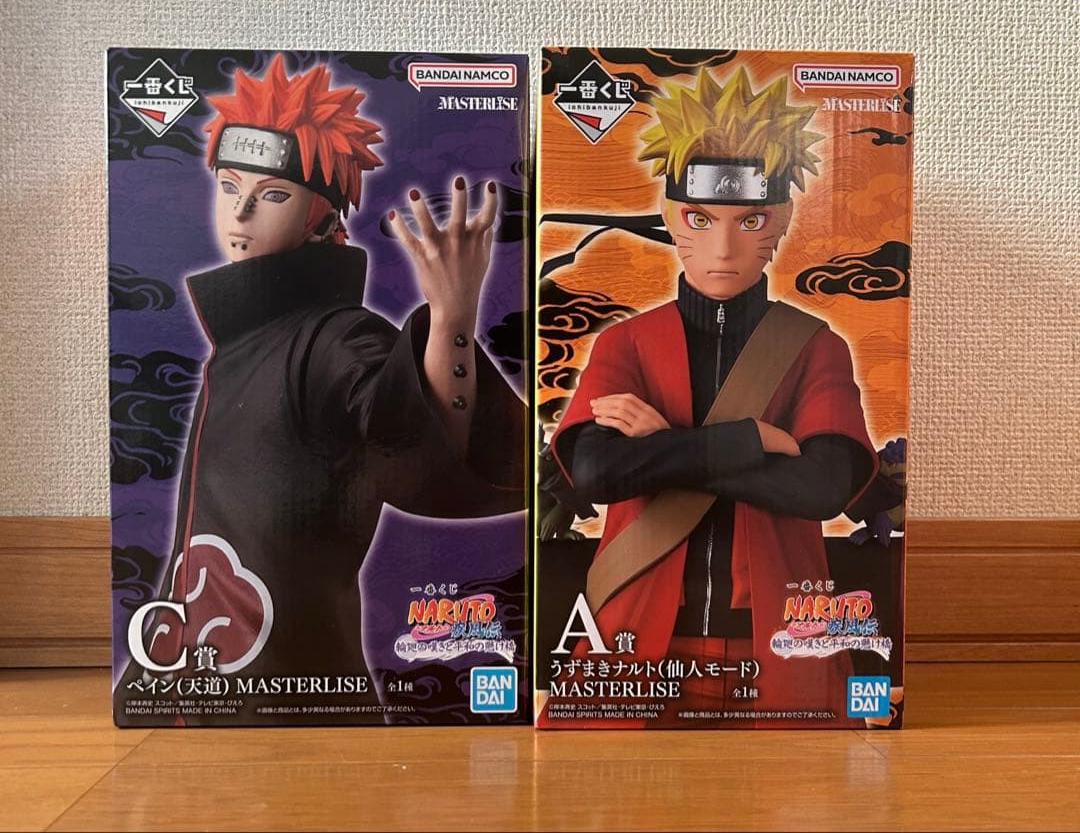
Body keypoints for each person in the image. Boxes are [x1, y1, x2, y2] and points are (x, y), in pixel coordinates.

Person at [118, 55, 524, 723]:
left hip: (291, 694)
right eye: (229, 185)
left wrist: (451, 320)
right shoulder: (244, 339)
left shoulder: (336, 336)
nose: (241, 211)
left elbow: (411, 443)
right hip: (194, 682)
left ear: (321, 215)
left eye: (273, 194)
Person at [545, 67, 878, 727]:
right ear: (671, 216)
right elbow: (596, 472)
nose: (723, 248)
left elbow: (823, 487)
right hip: (632, 638)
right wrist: (753, 441)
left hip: (784, 642)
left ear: (781, 219)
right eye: (700, 218)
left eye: (750, 219)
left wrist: (663, 444)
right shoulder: (626, 343)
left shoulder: (815, 346)